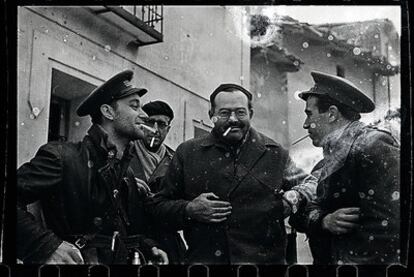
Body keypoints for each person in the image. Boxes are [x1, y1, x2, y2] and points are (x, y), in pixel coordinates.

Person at [147, 83, 317, 264]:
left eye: (240, 112)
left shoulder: (274, 153)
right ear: (211, 116)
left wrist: (294, 197)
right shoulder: (188, 153)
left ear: (251, 114)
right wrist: (189, 209)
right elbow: (158, 207)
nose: (233, 119)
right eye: (224, 113)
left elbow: (314, 184)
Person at [17, 70, 168, 264]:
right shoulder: (62, 157)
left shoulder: (125, 172)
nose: (144, 115)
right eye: (134, 106)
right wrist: (45, 246)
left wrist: (147, 247)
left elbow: (116, 228)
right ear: (108, 112)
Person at [294, 71, 400, 264]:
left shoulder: (373, 146)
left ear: (332, 114)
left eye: (310, 114)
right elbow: (301, 213)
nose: (305, 124)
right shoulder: (328, 160)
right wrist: (324, 221)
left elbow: (390, 228)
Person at [129, 100, 186, 264]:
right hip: (130, 239)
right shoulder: (123, 152)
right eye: (150, 122)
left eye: (161, 124)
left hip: (166, 241)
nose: (155, 129)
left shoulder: (176, 160)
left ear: (168, 129)